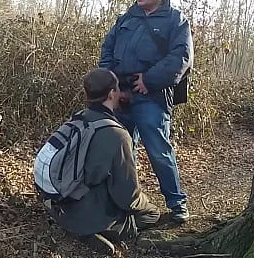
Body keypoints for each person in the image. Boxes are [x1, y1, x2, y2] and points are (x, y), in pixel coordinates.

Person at [99, 0, 193, 222]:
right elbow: (107, 50)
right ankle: (126, 202)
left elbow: (181, 57)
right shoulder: (126, 19)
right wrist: (113, 83)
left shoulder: (175, 20)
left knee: (158, 150)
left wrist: (148, 80)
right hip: (122, 95)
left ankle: (177, 205)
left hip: (152, 96)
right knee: (122, 152)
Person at [34, 68, 160, 254]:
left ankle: (69, 221)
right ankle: (93, 231)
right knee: (151, 214)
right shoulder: (117, 134)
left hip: (60, 200)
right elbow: (127, 197)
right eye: (118, 88)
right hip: (88, 213)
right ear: (111, 94)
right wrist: (147, 203)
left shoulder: (78, 118)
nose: (120, 92)